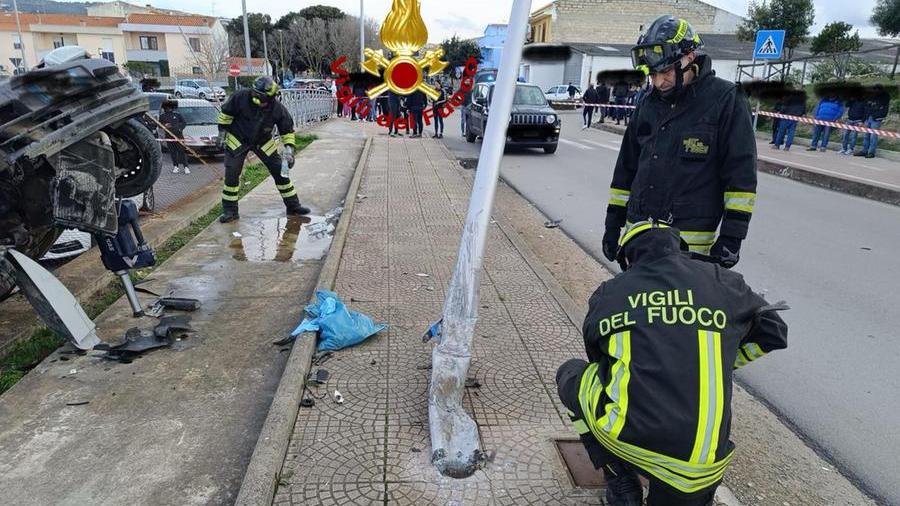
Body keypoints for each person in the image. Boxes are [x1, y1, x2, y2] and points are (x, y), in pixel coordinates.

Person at [557, 221, 788, 506]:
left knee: (571, 373)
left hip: (626, 438)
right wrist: (722, 360)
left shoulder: (611, 292)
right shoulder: (723, 281)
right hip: (701, 464)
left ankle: (620, 481)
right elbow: (775, 332)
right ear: (680, 250)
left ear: (628, 258)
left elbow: (599, 361)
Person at [603, 15, 757, 268]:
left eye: (664, 71)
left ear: (690, 58)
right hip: (640, 241)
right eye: (652, 74)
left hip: (690, 250)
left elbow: (740, 177)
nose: (658, 82)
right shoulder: (648, 104)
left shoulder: (725, 100)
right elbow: (625, 171)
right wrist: (612, 224)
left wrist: (732, 237)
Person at [216, 76, 309, 223]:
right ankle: (230, 211)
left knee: (281, 171)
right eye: (256, 95)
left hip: (262, 141)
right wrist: (222, 133)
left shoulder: (277, 108)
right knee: (232, 174)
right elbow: (225, 115)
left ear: (271, 97)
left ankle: (293, 206)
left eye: (262, 98)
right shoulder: (240, 97)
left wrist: (289, 151)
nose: (257, 100)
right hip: (238, 139)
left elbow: (287, 131)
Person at [856, 84, 891, 158]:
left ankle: (871, 152)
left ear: (880, 90)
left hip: (876, 119)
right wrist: (863, 119)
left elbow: (883, 109)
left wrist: (878, 116)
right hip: (868, 117)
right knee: (866, 135)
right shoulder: (871, 96)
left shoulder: (885, 97)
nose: (874, 91)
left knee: (873, 136)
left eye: (876, 90)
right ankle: (864, 151)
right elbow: (867, 106)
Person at [159, 100, 190, 175]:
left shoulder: (177, 115)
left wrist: (179, 128)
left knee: (181, 151)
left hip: (179, 136)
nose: (168, 109)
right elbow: (159, 124)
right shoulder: (162, 116)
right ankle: (176, 166)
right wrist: (164, 125)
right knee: (173, 152)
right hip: (169, 137)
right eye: (166, 107)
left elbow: (184, 123)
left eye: (170, 107)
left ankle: (186, 167)